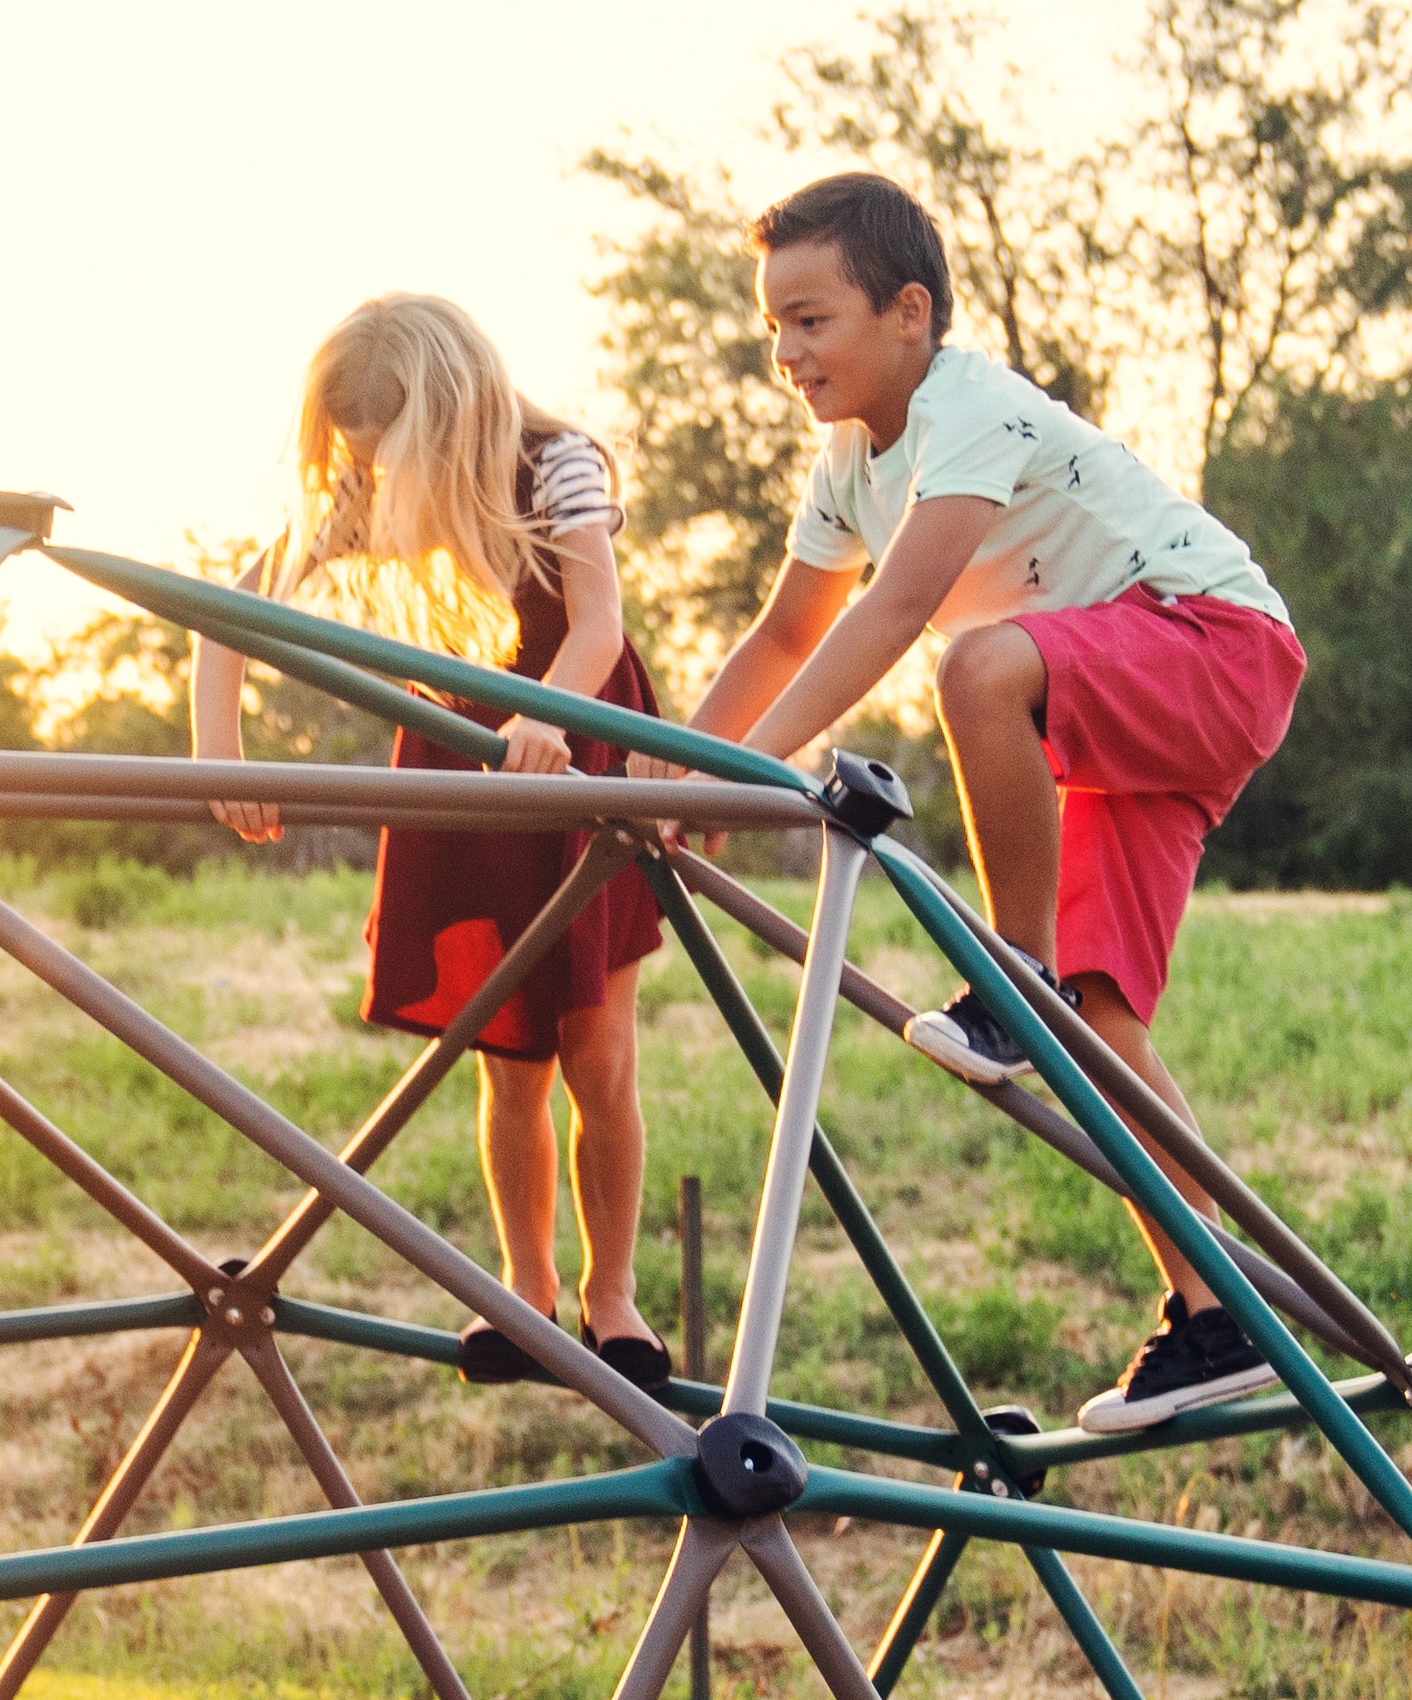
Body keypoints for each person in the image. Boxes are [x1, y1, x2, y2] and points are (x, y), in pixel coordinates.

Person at [686, 167, 1305, 1440]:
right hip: (1123, 700)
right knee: (1101, 1017)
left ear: (907, 314)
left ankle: (1004, 974)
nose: (785, 351)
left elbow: (896, 607)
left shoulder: (967, 407)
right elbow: (778, 632)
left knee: (977, 664)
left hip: (1210, 641)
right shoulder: (844, 463)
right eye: (771, 326)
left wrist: (738, 773)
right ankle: (1211, 1312)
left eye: (812, 319)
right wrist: (663, 763)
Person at [194, 294, 677, 1400]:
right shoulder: (367, 491)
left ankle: (613, 1295)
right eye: (358, 459)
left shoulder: (558, 463)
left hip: (581, 727)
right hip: (464, 745)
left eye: (388, 454)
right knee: (506, 1050)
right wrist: (217, 751)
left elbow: (597, 623)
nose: (372, 478)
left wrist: (552, 718)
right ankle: (523, 1287)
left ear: (452, 419)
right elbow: (231, 612)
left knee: (596, 1053)